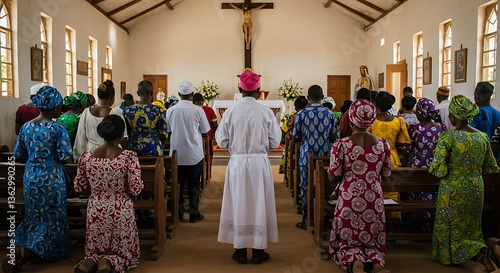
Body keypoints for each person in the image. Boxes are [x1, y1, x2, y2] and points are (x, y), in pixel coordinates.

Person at [3, 86, 73, 273]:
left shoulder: (26, 127)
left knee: (34, 215)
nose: (61, 108)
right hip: (52, 177)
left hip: (31, 176)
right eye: (59, 105)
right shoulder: (58, 128)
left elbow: (19, 154)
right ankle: (45, 251)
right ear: (52, 107)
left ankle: (20, 250)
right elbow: (67, 157)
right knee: (53, 215)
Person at [216, 70, 281, 265]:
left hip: (237, 163)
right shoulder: (266, 112)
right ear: (259, 90)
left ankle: (240, 250)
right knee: (259, 201)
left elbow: (222, 140)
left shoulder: (230, 112)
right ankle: (259, 251)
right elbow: (274, 141)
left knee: (238, 201)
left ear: (239, 89)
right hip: (258, 162)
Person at [429, 95, 499, 272]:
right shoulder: (482, 138)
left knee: (449, 224)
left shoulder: (448, 137)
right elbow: (491, 166)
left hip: (452, 187)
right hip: (476, 187)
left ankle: (454, 256)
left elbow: (438, 169)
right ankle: (481, 250)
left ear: (453, 116)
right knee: (471, 225)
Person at [73, 115, 144, 273]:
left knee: (95, 250)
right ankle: (108, 263)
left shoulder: (86, 157)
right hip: (120, 210)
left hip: (96, 209)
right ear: (121, 135)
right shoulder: (128, 157)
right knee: (124, 255)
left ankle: (89, 262)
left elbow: (79, 187)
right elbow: (135, 189)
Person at [328, 99, 391, 273]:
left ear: (351, 119)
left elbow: (333, 177)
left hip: (350, 199)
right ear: (372, 119)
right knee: (372, 241)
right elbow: (386, 174)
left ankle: (356, 263)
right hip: (374, 200)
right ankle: (377, 264)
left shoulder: (342, 145)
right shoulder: (383, 144)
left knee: (349, 240)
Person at [293, 85, 337, 230]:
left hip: (307, 154)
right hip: (325, 154)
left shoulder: (301, 114)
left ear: (308, 97)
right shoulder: (330, 114)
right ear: (322, 96)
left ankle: (307, 219)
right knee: (326, 185)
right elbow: (334, 137)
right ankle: (324, 219)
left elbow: (295, 137)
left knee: (306, 186)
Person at [166, 81, 210, 223]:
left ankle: (178, 213)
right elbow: (205, 131)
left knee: (177, 184)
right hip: (194, 154)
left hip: (176, 154)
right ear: (191, 95)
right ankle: (193, 213)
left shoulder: (171, 110)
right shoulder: (198, 110)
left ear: (179, 95)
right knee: (193, 185)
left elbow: (168, 131)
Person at [406, 98, 447, 233]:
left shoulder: (415, 130)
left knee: (417, 198)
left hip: (417, 168)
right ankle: (433, 227)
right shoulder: (442, 128)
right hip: (436, 168)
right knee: (433, 197)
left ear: (420, 113)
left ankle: (419, 226)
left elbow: (408, 149)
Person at [369, 91, 410, 219]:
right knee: (392, 190)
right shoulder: (399, 122)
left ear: (375, 104)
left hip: (373, 157)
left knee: (374, 190)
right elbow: (404, 142)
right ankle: (392, 220)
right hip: (392, 157)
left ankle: (373, 217)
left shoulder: (371, 121)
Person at [74, 80, 122, 160]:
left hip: (91, 154)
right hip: (111, 154)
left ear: (98, 96)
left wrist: (79, 157)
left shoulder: (86, 112)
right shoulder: (115, 112)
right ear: (112, 97)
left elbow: (81, 137)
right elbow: (122, 136)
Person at [124, 80, 168, 156]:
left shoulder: (127, 110)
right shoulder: (158, 110)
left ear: (138, 93)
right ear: (152, 93)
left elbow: (125, 134)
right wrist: (159, 148)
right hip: (154, 150)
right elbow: (164, 135)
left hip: (133, 151)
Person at [193, 93, 218, 167]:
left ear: (193, 101)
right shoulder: (209, 110)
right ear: (202, 101)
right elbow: (215, 125)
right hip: (206, 138)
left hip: (193, 139)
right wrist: (215, 137)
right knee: (208, 157)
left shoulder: (191, 110)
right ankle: (207, 174)